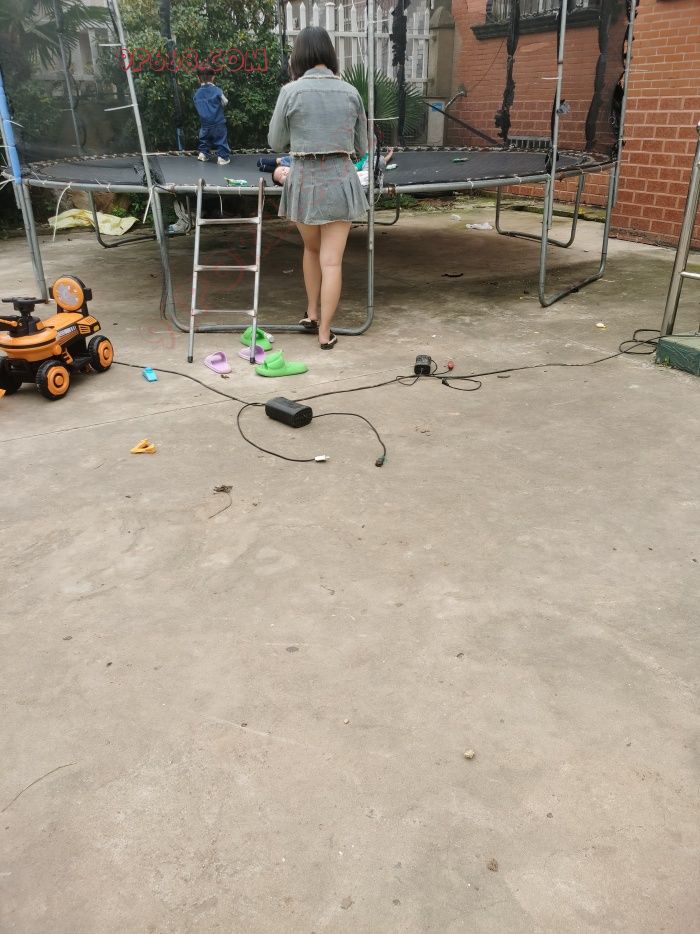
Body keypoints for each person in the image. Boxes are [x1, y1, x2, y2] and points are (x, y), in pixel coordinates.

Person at [267, 26, 369, 349]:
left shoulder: (290, 92)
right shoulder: (351, 92)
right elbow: (362, 148)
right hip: (340, 179)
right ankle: (325, 333)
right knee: (332, 261)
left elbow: (275, 142)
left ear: (298, 56)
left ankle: (311, 313)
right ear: (329, 54)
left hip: (304, 181)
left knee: (311, 249)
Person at [193, 66, 230, 166]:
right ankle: (222, 157)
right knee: (221, 139)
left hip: (204, 123)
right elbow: (225, 101)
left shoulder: (197, 93)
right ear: (213, 77)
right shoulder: (217, 90)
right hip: (218, 121)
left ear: (198, 78)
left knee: (204, 140)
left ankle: (203, 154)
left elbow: (196, 104)